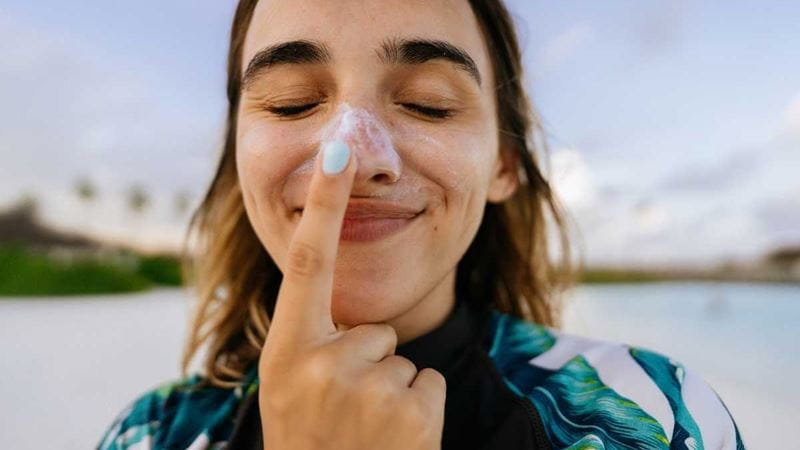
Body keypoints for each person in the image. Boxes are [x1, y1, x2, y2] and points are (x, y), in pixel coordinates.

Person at [96, 0, 745, 449]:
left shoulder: (662, 419)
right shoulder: (150, 434)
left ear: (504, 164)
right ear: (237, 159)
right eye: (293, 102)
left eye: (427, 105)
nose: (353, 157)